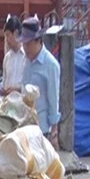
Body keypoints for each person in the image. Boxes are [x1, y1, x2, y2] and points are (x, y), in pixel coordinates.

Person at [18, 15, 61, 145]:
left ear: (38, 41)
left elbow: (53, 98)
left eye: (28, 44)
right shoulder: (26, 61)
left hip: (42, 129)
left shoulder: (50, 65)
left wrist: (54, 130)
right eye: (23, 44)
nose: (25, 48)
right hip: (24, 124)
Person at [2, 15, 26, 95]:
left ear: (15, 33)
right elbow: (4, 80)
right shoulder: (7, 57)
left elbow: (33, 85)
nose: (6, 40)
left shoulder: (27, 56)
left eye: (8, 35)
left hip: (23, 104)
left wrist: (19, 89)